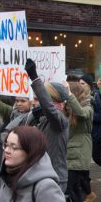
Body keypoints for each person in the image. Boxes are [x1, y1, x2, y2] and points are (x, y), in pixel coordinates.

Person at [25, 59, 70, 191]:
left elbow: (49, 108)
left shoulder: (60, 120)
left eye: (38, 99)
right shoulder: (39, 117)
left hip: (54, 180)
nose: (33, 102)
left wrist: (34, 77)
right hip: (39, 177)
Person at [65, 80, 94, 202]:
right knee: (74, 187)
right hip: (72, 151)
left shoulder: (88, 106)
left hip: (79, 151)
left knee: (70, 187)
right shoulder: (69, 108)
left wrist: (69, 95)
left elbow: (81, 113)